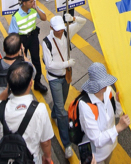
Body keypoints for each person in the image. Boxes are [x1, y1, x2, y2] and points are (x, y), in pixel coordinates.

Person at [0, 61, 54, 164]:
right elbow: (46, 142)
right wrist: (47, 157)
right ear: (31, 83)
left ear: (9, 85)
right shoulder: (40, 109)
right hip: (31, 160)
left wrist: (8, 89)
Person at [42, 15, 83, 158]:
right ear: (51, 28)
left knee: (60, 104)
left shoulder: (66, 31)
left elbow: (82, 22)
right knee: (62, 112)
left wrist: (73, 17)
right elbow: (49, 65)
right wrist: (67, 64)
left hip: (66, 76)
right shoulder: (46, 42)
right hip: (54, 79)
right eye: (57, 30)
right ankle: (67, 145)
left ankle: (54, 113)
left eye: (61, 29)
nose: (60, 32)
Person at [79, 63, 130, 164]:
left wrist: (118, 103)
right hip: (95, 156)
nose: (107, 84)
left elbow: (116, 113)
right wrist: (118, 127)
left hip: (110, 147)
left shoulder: (108, 91)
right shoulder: (85, 105)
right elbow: (97, 140)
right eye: (104, 83)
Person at [8, 0, 48, 94]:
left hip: (33, 37)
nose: (33, 3)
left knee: (36, 60)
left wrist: (36, 8)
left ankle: (37, 83)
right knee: (22, 62)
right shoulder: (16, 16)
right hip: (22, 40)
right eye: (31, 2)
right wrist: (19, 46)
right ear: (24, 3)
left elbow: (44, 18)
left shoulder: (33, 10)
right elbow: (13, 33)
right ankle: (23, 84)